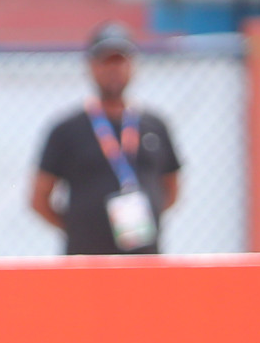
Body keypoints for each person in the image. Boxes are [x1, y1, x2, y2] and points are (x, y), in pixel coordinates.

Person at [30, 22, 181, 255]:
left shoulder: (155, 126)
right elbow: (39, 198)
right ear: (91, 66)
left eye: (119, 60)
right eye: (105, 61)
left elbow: (171, 188)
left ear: (132, 66)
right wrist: (80, 226)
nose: (113, 69)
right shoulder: (67, 130)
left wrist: (142, 217)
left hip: (143, 258)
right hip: (86, 258)